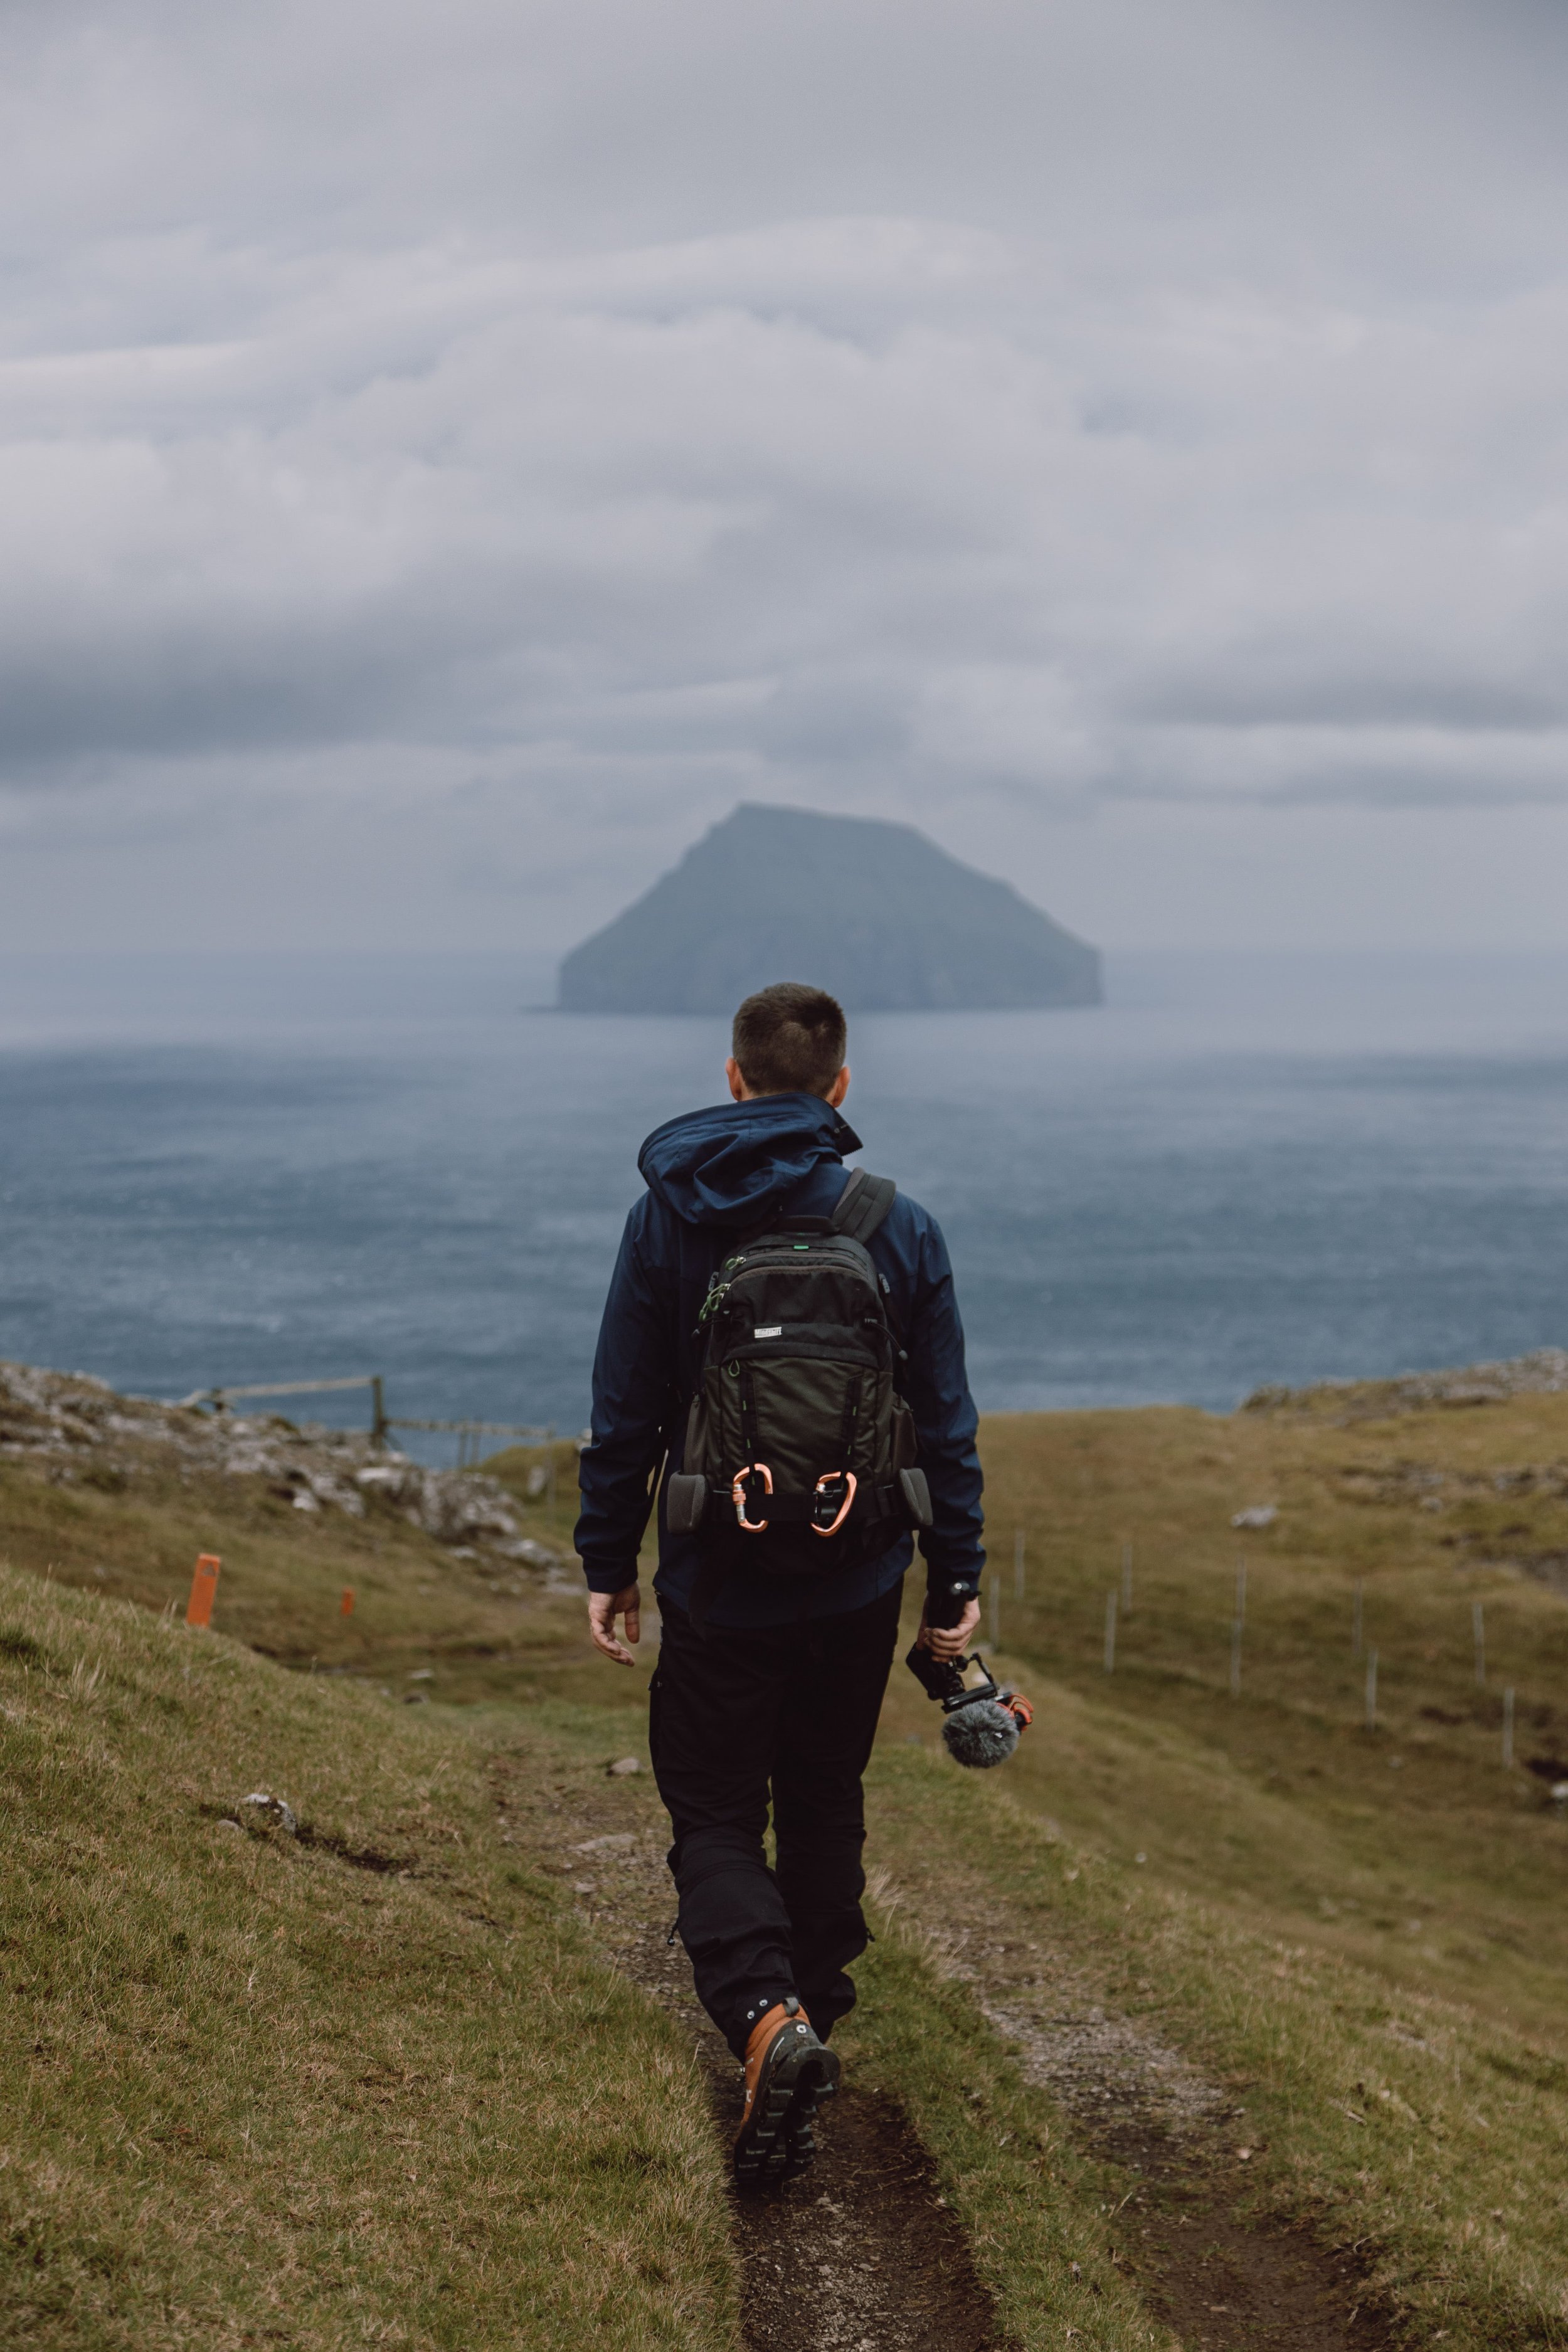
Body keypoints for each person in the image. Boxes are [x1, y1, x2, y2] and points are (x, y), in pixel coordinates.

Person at [575, 980, 984, 2184]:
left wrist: (611, 1563)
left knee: (711, 1810)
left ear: (734, 1079)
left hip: (716, 1575)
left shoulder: (666, 1221)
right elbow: (945, 1428)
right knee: (821, 1792)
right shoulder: (898, 1225)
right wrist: (954, 1577)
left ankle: (766, 2019)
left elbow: (626, 1414)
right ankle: (808, 2006)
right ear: (841, 1088)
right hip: (859, 1583)